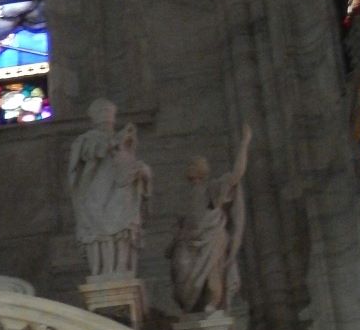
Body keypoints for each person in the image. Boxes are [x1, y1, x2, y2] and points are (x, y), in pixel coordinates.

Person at [168, 122, 252, 314]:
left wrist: (244, 144)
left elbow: (236, 175)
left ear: (201, 170)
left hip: (210, 239)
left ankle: (212, 304)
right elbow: (179, 223)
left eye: (192, 165)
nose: (188, 168)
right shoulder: (184, 196)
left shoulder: (212, 188)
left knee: (212, 278)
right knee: (181, 268)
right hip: (187, 241)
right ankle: (189, 305)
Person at [68, 99, 151, 277]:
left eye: (109, 117)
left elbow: (127, 165)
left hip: (120, 194)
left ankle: (121, 268)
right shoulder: (86, 139)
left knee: (124, 229)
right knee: (96, 233)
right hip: (96, 194)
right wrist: (114, 142)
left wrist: (142, 171)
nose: (107, 122)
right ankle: (101, 270)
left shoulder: (122, 139)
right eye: (103, 116)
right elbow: (91, 153)